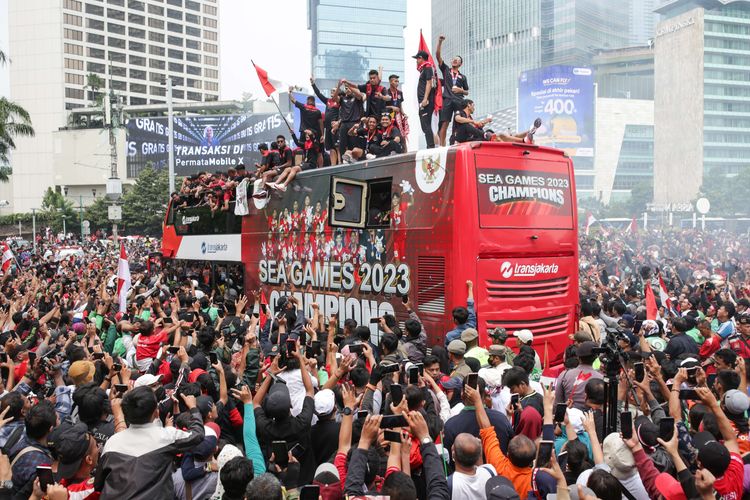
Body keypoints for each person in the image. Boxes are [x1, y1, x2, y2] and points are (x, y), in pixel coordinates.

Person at [94, 388, 205, 497]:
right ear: (156, 413)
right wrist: (193, 408)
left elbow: (98, 484)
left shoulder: (112, 442)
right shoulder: (166, 437)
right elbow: (198, 434)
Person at [435, 35, 469, 146]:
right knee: (444, 123)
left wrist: (460, 90)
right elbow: (438, 56)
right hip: (448, 99)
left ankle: (457, 141)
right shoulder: (446, 70)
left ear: (460, 64)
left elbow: (467, 91)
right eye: (454, 59)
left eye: (458, 60)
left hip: (459, 100)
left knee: (459, 121)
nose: (455, 60)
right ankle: (442, 146)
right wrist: (440, 42)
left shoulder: (463, 77)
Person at [554, 341, 603, 411]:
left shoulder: (565, 375)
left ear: (578, 357)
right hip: (591, 419)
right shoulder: (601, 378)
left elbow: (557, 402)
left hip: (569, 418)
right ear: (596, 358)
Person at [413, 50, 436, 149]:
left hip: (426, 102)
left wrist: (425, 98)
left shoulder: (427, 68)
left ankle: (430, 147)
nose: (416, 61)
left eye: (417, 58)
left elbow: (429, 83)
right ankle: (430, 145)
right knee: (424, 126)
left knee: (426, 125)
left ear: (421, 58)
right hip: (422, 102)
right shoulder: (424, 69)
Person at [445, 281, 477, 346]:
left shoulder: (449, 335)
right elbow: (470, 305)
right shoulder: (471, 324)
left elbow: (447, 348)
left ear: (456, 320)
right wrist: (470, 287)